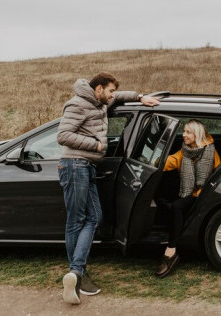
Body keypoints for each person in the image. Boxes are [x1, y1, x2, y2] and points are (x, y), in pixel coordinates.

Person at [57, 72, 160, 304]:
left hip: (87, 166)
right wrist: (97, 144)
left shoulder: (99, 101)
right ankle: (78, 273)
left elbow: (119, 98)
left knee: (95, 218)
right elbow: (62, 135)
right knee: (77, 220)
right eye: (110, 91)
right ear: (99, 89)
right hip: (74, 165)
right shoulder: (77, 104)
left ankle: (76, 272)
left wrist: (140, 97)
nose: (113, 95)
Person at [155, 120, 220, 278]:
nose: (183, 135)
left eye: (188, 132)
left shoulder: (211, 151)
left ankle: (171, 249)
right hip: (188, 193)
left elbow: (219, 174)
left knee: (176, 206)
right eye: (184, 131)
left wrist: (204, 191)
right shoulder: (183, 153)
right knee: (165, 201)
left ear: (197, 134)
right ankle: (174, 245)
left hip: (206, 193)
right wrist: (155, 158)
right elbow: (162, 164)